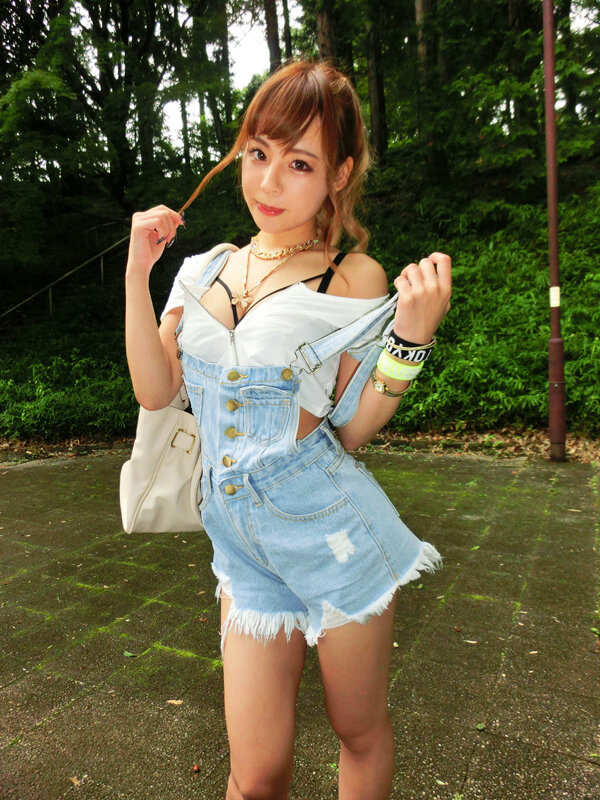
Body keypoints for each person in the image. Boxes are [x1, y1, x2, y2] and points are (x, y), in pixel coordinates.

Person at [125, 60, 451, 800]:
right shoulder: (204, 269)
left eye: (299, 163)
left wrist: (412, 339)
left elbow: (352, 429)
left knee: (357, 731)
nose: (268, 182)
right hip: (242, 549)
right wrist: (138, 274)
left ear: (339, 174)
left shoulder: (352, 277)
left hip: (335, 537)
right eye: (257, 153)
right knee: (257, 773)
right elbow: (155, 389)